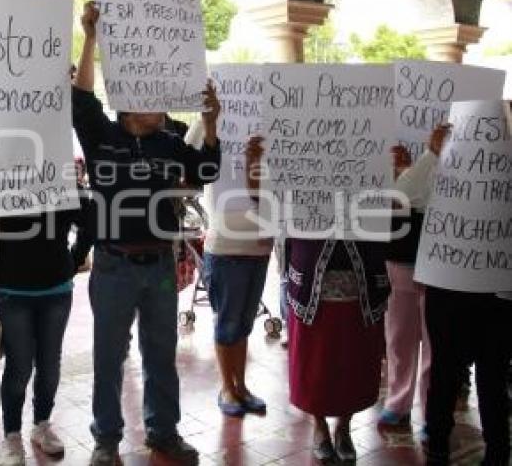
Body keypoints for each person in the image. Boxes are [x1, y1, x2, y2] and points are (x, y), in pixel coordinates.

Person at [74, 2, 222, 466]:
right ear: (128, 102)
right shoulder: (102, 137)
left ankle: (163, 433)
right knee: (108, 359)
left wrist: (211, 124)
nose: (162, 102)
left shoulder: (171, 140)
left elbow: (209, 168)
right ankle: (106, 440)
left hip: (159, 265)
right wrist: (91, 37)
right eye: (152, 95)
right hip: (114, 264)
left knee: (161, 355)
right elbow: (80, 100)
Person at [246, 135, 390, 463]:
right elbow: (265, 201)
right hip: (313, 279)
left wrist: (399, 171)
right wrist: (255, 163)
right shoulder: (299, 150)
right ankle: (320, 426)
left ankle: (344, 426)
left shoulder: (373, 149)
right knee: (316, 361)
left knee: (355, 358)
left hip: (361, 278)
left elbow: (398, 203)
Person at [420, 115, 512, 466]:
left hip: (499, 295)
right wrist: (432, 155)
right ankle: (438, 447)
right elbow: (408, 195)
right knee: (445, 373)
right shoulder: (441, 168)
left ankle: (498, 452)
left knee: (492, 376)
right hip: (449, 287)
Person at [0, 196, 93, 465]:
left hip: (55, 289)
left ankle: (41, 423)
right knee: (18, 367)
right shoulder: (1, 183)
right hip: (13, 289)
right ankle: (12, 435)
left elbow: (91, 220)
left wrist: (74, 258)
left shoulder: (60, 182)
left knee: (49, 364)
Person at [184, 120, 273, 417]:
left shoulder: (272, 126)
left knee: (245, 323)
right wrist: (207, 118)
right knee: (227, 322)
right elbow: (186, 157)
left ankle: (241, 386)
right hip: (225, 248)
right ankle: (227, 387)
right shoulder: (208, 126)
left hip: (260, 248)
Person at [378, 126, 449, 429]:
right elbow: (397, 198)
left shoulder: (456, 158)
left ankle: (432, 411)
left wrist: (429, 158)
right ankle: (399, 401)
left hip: (441, 260)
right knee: (398, 338)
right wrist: (412, 166)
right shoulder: (384, 156)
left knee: (436, 342)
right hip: (401, 259)